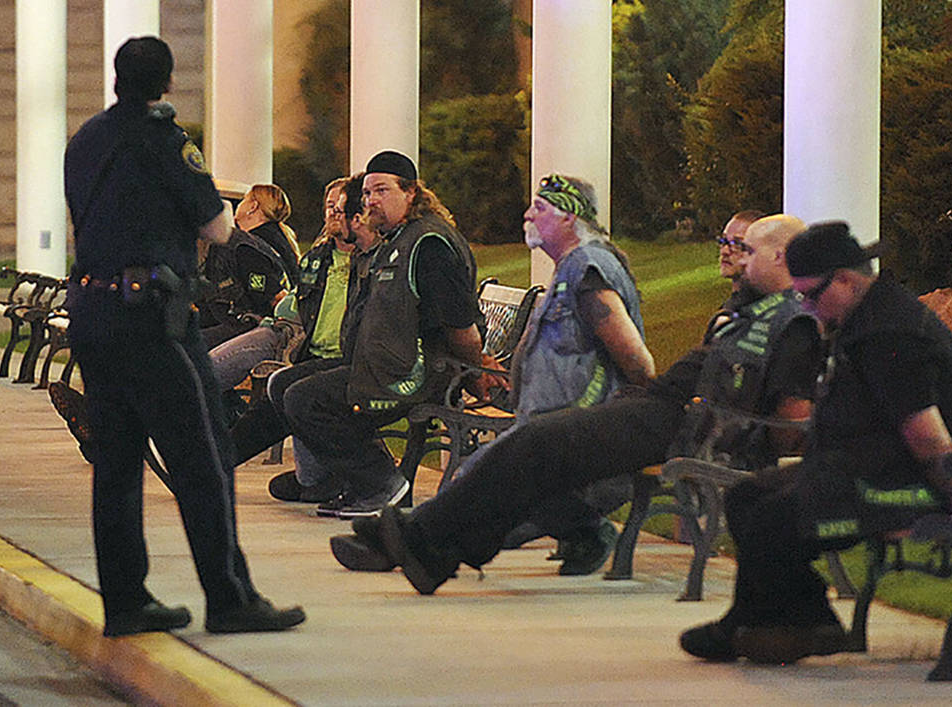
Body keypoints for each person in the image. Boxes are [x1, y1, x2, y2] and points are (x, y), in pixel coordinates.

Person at [340, 214, 821, 594]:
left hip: (680, 425)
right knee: (536, 455)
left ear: (781, 256)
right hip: (664, 410)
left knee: (535, 443)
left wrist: (740, 433)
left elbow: (789, 423)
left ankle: (416, 537)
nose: (736, 257)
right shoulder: (752, 309)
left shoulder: (795, 324)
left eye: (747, 249)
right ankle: (430, 547)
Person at [62, 36, 304, 636]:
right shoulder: (167, 142)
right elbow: (219, 227)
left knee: (116, 463)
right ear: (167, 83)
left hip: (91, 311)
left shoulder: (84, 141)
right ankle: (230, 598)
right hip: (151, 318)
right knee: (204, 455)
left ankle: (125, 602)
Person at [676, 221, 952, 665]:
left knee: (776, 518)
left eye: (812, 295)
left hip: (903, 484)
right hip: (861, 466)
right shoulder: (865, 317)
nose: (808, 308)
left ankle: (783, 623)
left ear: (847, 280)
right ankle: (791, 618)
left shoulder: (888, 333)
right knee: (746, 497)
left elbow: (924, 431)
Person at [331, 174, 655, 575]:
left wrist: (618, 424)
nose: (527, 215)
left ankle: (399, 543)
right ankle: (407, 544)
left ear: (570, 216)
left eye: (540, 208)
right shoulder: (573, 268)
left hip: (574, 442)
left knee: (486, 495)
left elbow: (637, 361)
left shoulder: (589, 270)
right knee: (483, 488)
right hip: (547, 436)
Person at [281, 150, 497, 519]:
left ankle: (382, 485)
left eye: (380, 190)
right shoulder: (400, 238)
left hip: (415, 375)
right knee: (290, 386)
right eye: (366, 194)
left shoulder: (429, 245)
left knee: (306, 400)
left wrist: (473, 374)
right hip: (387, 367)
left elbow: (461, 328)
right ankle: (362, 482)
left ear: (411, 192)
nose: (370, 201)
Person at [227, 174, 383, 503]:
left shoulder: (371, 261)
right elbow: (296, 302)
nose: (333, 213)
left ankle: (338, 479)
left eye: (342, 208)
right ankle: (212, 462)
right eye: (330, 207)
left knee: (293, 391)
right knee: (276, 394)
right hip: (300, 342)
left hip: (345, 360)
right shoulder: (319, 257)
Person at [197, 184, 294, 348]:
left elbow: (275, 297)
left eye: (244, 200)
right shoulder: (278, 238)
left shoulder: (244, 247)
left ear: (253, 206)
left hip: (255, 329)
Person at [716, 210, 765, 312]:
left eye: (737, 244)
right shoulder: (731, 307)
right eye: (723, 241)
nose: (725, 251)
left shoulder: (759, 312)